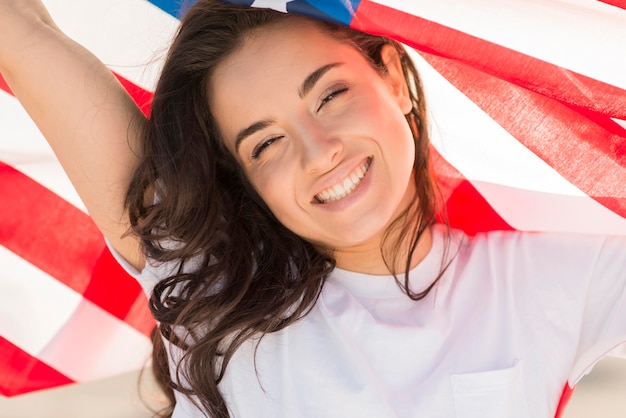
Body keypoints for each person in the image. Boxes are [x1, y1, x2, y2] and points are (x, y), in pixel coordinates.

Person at [1, 1, 625, 418]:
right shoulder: (214, 295)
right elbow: (21, 34)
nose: (320, 151)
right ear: (243, 179)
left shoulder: (549, 272)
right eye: (265, 142)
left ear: (394, 79)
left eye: (331, 94)